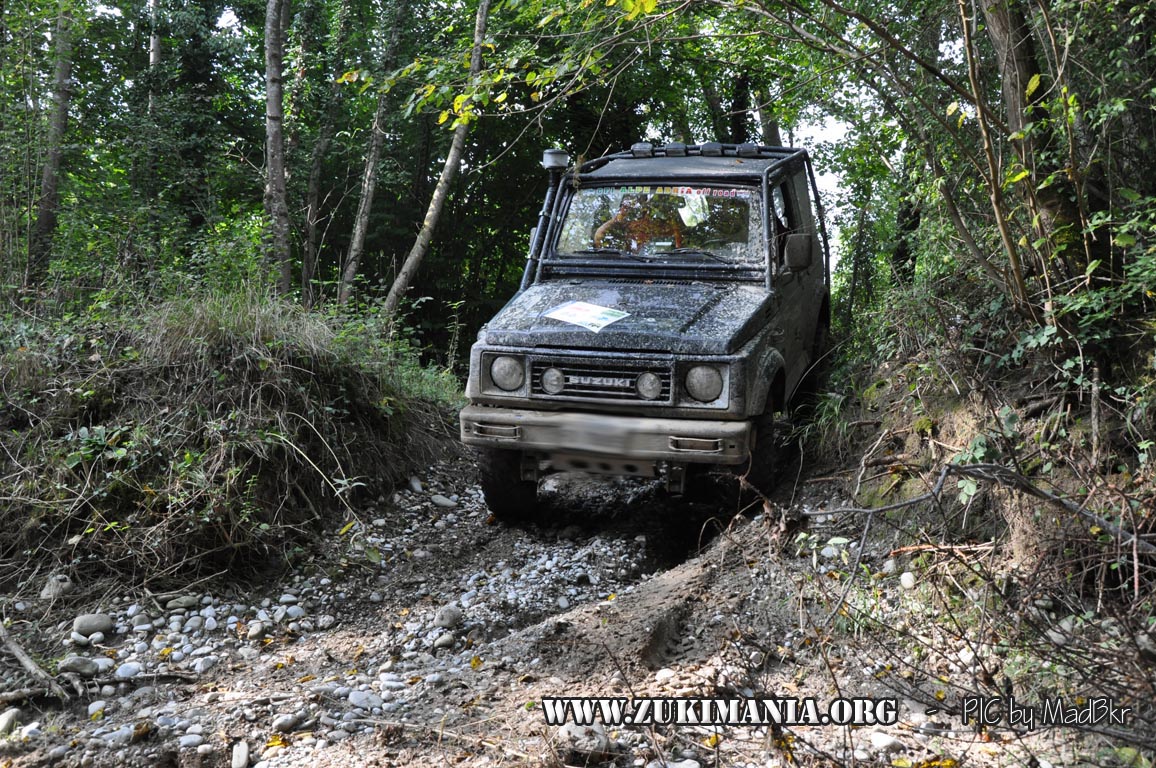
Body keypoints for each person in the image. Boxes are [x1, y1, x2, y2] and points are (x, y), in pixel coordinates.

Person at [593, 194, 683, 251]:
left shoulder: (655, 225)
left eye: (632, 208)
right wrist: (615, 220)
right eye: (624, 207)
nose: (626, 210)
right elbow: (598, 239)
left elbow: (677, 242)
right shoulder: (622, 227)